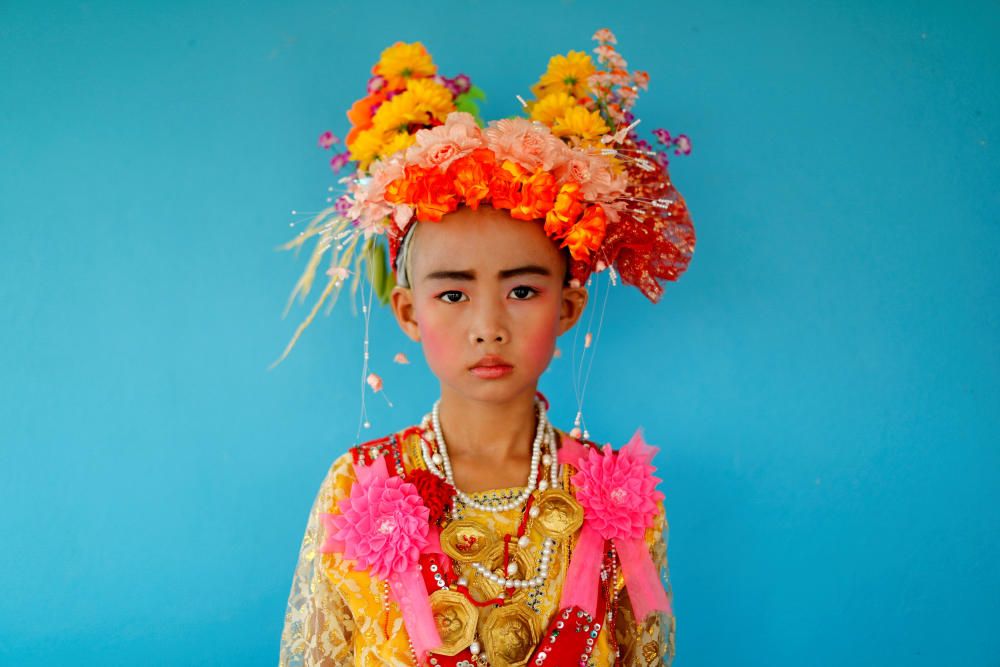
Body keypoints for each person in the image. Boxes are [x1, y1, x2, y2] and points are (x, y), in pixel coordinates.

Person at [276, 29, 695, 667]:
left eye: (523, 291)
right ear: (410, 312)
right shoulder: (357, 488)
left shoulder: (621, 500)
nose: (488, 325)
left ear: (568, 308)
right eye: (453, 295)